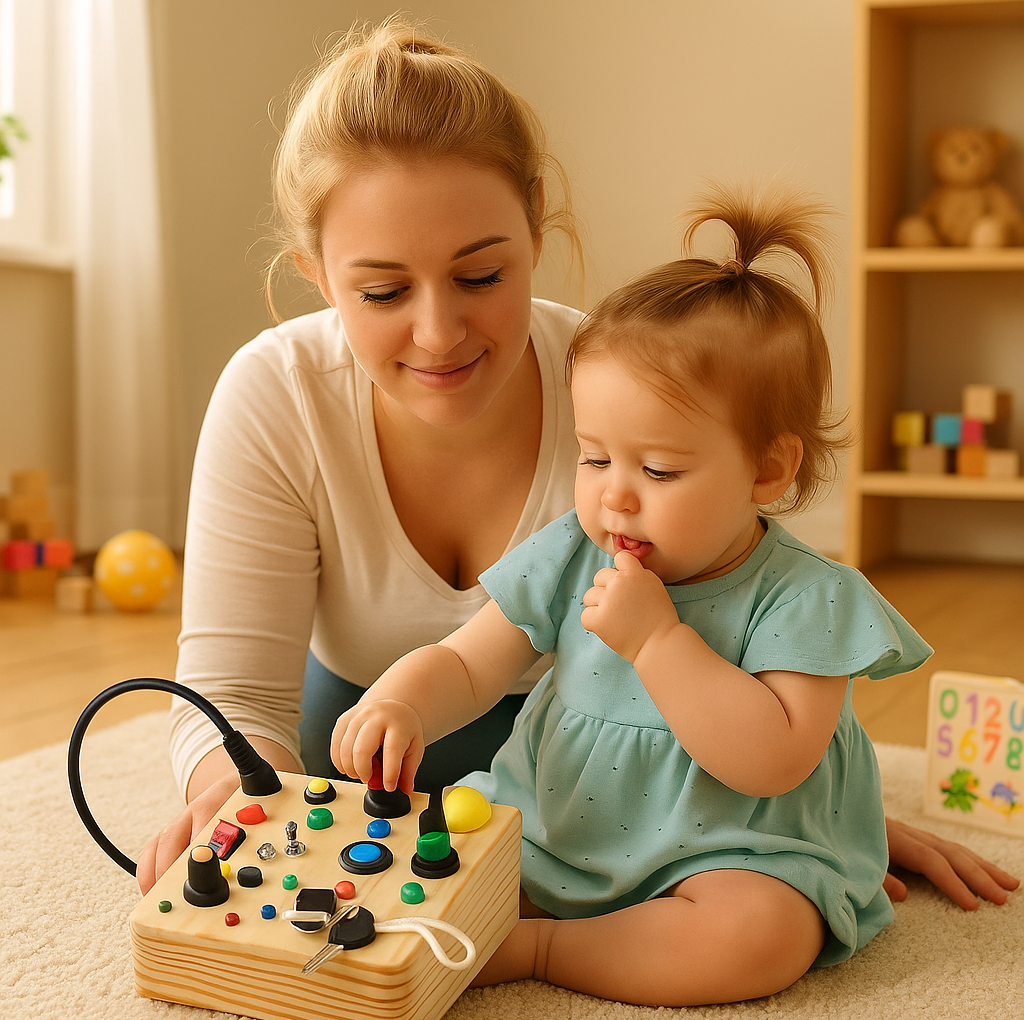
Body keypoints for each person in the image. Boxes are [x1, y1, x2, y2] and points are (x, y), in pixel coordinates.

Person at [137, 19, 1019, 918]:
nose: (439, 334)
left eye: (481, 276)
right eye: (383, 291)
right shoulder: (275, 392)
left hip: (627, 762)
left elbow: (749, 585)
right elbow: (236, 692)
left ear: (536, 234)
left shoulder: (620, 390)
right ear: (318, 277)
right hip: (399, 749)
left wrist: (810, 815)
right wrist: (232, 790)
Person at [330, 184, 937, 1004]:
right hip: (553, 825)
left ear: (768, 468)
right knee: (414, 871)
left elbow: (771, 761)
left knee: (759, 937)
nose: (615, 496)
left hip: (729, 853)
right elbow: (470, 666)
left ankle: (543, 950)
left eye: (657, 470)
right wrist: (402, 701)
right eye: (592, 457)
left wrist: (658, 643)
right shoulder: (578, 551)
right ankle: (527, 910)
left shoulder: (809, 599)